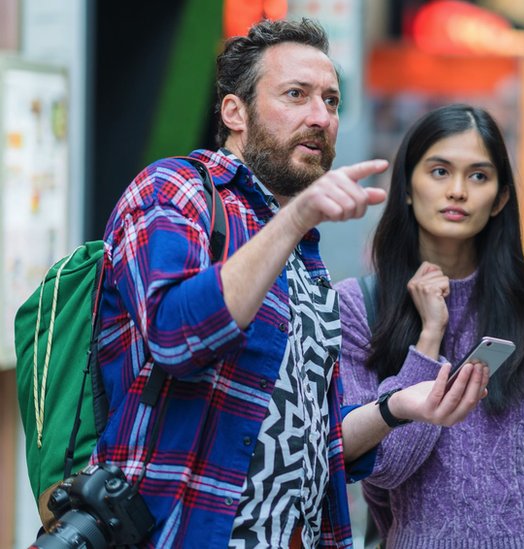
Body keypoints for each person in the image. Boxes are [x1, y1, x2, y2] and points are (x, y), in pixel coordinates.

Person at [90, 19, 488, 548]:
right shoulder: (175, 189)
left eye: (331, 100)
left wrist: (400, 407)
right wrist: (295, 217)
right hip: (182, 531)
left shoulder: (303, 250)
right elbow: (174, 338)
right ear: (235, 112)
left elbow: (313, 442)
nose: (320, 117)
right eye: (296, 95)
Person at [335, 104, 524, 548]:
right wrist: (428, 338)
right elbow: (387, 465)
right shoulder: (358, 305)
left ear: (501, 197)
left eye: (479, 176)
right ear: (407, 186)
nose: (458, 191)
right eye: (440, 171)